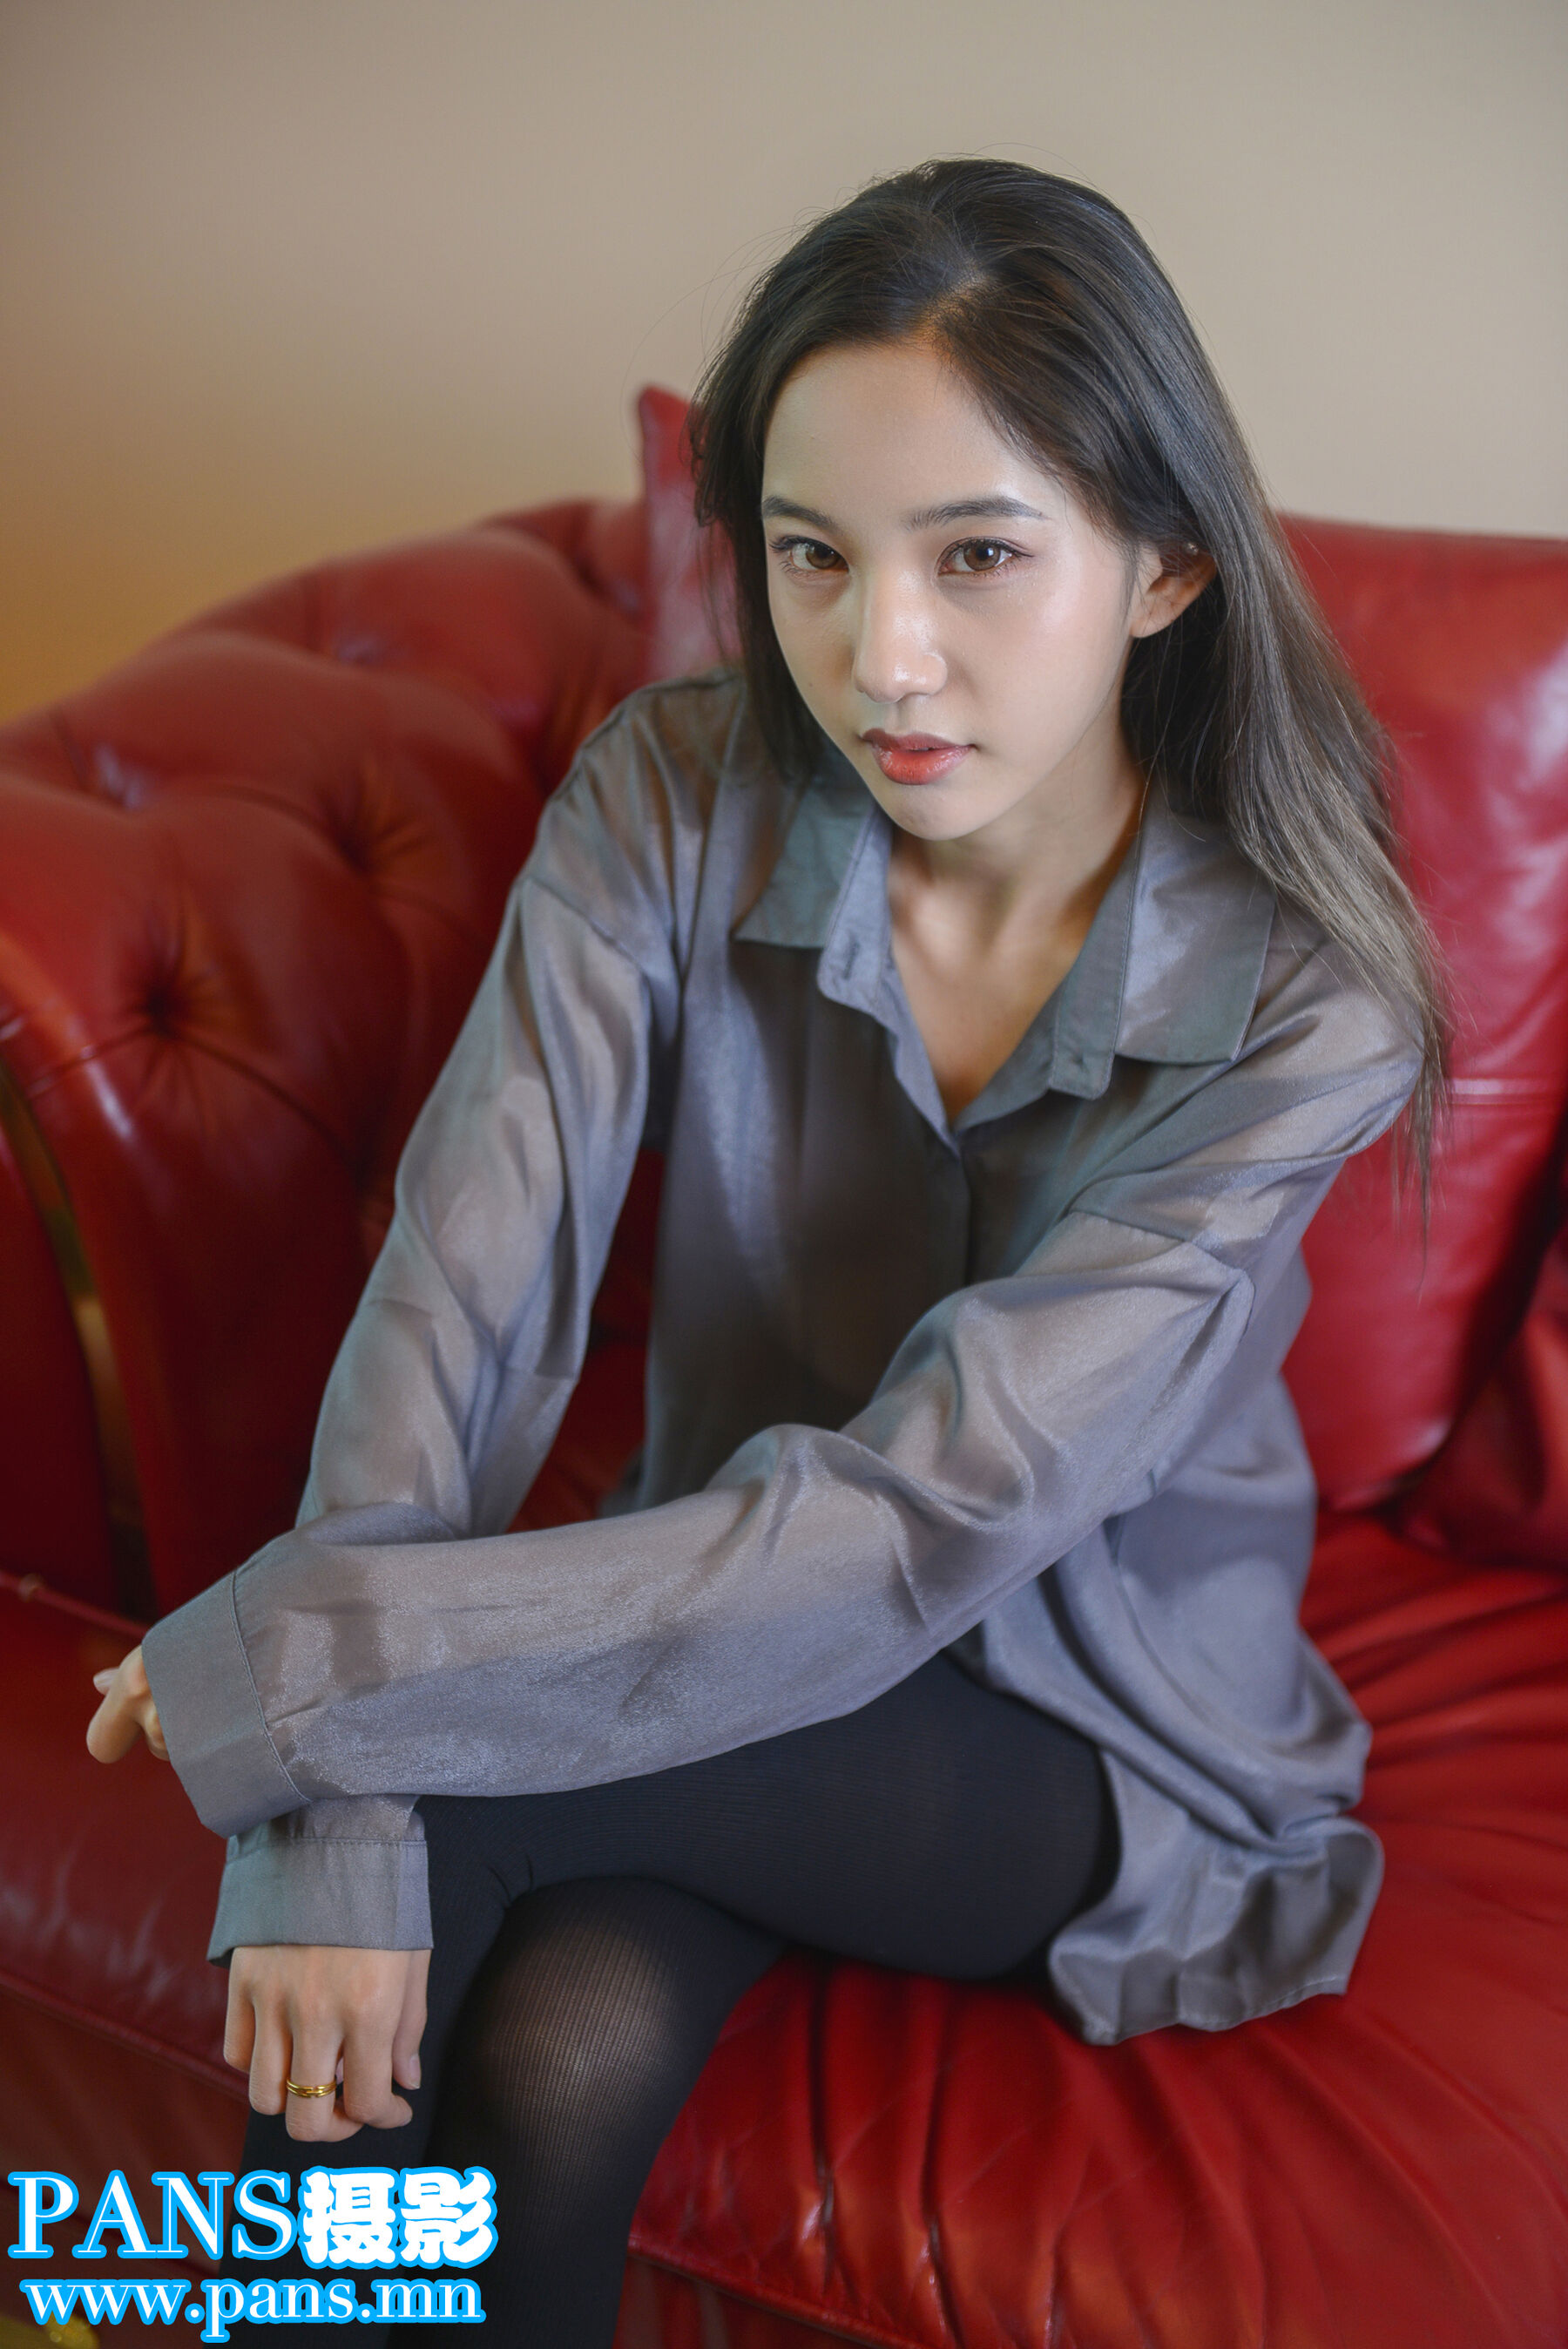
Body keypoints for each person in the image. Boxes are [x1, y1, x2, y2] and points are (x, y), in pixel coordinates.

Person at [87, 157, 1447, 2343]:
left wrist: (323, 1673)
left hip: (1067, 1711)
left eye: (978, 555)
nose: (878, 658)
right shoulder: (670, 796)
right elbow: (465, 1289)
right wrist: (325, 1772)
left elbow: (926, 1520)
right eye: (812, 555)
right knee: (542, 2064)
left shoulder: (1307, 1003)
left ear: (1166, 563)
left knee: (438, 1824)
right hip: (691, 1604)